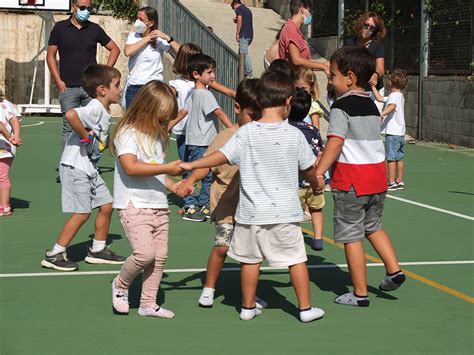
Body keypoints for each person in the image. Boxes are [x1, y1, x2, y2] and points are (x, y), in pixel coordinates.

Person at [180, 71, 325, 323]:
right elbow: (309, 170)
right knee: (296, 260)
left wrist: (190, 165)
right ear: (289, 101)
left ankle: (247, 307)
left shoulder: (245, 134)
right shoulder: (294, 134)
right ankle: (305, 309)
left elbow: (221, 156)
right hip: (285, 212)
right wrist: (316, 183)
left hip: (250, 213)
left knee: (250, 261)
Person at [314, 46, 406, 307]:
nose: (330, 81)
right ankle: (393, 269)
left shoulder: (342, 107)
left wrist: (318, 171)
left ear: (349, 77)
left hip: (351, 182)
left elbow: (335, 143)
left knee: (352, 236)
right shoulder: (371, 104)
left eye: (332, 76)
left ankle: (359, 292)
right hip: (377, 180)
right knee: (373, 227)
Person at [175, 79, 266, 308]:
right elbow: (206, 163)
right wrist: (191, 180)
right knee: (222, 247)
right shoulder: (225, 137)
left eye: (259, 115)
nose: (255, 120)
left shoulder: (264, 134)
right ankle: (209, 287)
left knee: (253, 253)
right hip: (227, 202)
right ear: (237, 108)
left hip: (254, 205)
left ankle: (250, 295)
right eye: (251, 114)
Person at [41, 64, 126, 272]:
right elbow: (71, 115)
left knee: (106, 205)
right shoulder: (95, 107)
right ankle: (55, 254)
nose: (121, 89)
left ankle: (98, 250)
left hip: (88, 167)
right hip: (75, 165)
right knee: (82, 212)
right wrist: (85, 136)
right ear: (102, 90)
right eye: (117, 85)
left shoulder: (103, 110)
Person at [110, 81, 184, 319]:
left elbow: (156, 172)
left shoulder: (153, 136)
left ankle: (148, 304)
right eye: (161, 119)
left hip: (158, 204)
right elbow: (131, 167)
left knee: (159, 257)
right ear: (146, 110)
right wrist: (167, 168)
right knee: (144, 254)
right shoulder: (127, 133)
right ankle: (120, 285)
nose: (164, 124)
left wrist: (174, 186)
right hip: (134, 204)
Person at [47, 0, 120, 150]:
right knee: (69, 127)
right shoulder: (60, 28)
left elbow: (115, 49)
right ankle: (67, 165)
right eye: (82, 7)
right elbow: (50, 56)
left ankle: (91, 163)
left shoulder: (95, 29)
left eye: (89, 8)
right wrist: (58, 81)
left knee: (92, 125)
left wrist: (103, 73)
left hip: (91, 88)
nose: (86, 11)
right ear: (73, 7)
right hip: (67, 87)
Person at [181, 54, 234, 222]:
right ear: (197, 74)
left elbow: (183, 111)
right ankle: (195, 205)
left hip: (194, 139)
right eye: (210, 72)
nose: (213, 76)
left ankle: (197, 203)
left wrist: (168, 125)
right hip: (204, 141)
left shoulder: (194, 93)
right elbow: (218, 112)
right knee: (204, 174)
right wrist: (233, 129)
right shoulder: (206, 95)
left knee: (196, 172)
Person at [168, 43, 237, 162]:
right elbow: (176, 109)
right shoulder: (178, 84)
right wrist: (167, 126)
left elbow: (229, 92)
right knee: (187, 166)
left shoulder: (204, 84)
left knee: (197, 167)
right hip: (184, 132)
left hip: (201, 134)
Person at [288, 88, 325, 251]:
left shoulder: (286, 130)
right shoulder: (313, 130)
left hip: (293, 182)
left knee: (292, 215)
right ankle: (318, 238)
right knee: (316, 209)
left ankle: (292, 240)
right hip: (314, 179)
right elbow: (320, 153)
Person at [123, 6, 181, 108]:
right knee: (133, 122)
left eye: (141, 19)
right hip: (135, 88)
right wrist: (146, 39)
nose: (137, 21)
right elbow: (128, 52)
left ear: (151, 23)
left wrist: (168, 38)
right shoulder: (133, 36)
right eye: (137, 18)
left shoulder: (159, 40)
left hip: (154, 88)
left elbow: (181, 54)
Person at [371, 69, 408, 191]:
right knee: (399, 157)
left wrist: (381, 114)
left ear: (391, 82)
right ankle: (399, 180)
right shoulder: (399, 96)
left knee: (391, 158)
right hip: (400, 133)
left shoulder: (393, 97)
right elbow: (380, 98)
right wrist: (373, 87)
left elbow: (392, 107)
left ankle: (391, 182)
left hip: (393, 133)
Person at [344, 11, 387, 112]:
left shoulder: (377, 46)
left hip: (373, 91)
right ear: (361, 23)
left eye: (372, 28)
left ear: (376, 31)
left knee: (372, 123)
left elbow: (380, 68)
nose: (368, 29)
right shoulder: (350, 43)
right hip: (355, 89)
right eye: (366, 25)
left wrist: (376, 75)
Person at [278, 0, 329, 76]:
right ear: (302, 9)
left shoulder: (294, 29)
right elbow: (296, 60)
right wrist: (323, 66)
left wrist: (323, 65)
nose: (310, 15)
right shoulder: (290, 29)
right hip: (293, 80)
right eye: (309, 11)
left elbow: (304, 61)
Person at [0, 90, 23, 217]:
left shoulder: (4, 104)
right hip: (6, 145)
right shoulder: (6, 104)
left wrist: (13, 137)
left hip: (4, 147)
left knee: (2, 176)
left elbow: (6, 124)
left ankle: (5, 207)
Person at [231, 0, 254, 78]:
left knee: (243, 53)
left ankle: (249, 72)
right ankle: (243, 70)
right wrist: (236, 20)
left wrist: (237, 33)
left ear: (234, 4)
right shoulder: (246, 9)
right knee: (241, 52)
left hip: (244, 35)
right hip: (249, 35)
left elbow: (240, 20)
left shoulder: (239, 9)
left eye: (233, 8)